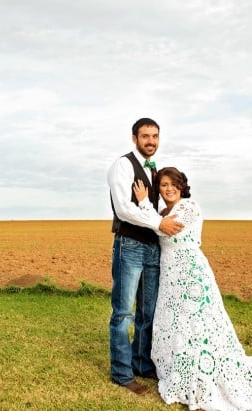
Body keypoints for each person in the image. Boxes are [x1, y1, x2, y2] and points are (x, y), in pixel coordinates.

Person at [133, 167, 252, 410]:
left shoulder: (190, 207)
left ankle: (207, 375)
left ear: (181, 186)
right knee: (176, 323)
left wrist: (143, 205)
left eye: (173, 183)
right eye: (163, 184)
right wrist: (151, 215)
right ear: (158, 189)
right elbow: (158, 225)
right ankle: (180, 371)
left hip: (191, 273)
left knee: (200, 322)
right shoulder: (162, 211)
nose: (169, 188)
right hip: (170, 276)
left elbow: (170, 232)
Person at [107, 118, 184, 396]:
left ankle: (141, 364)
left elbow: (156, 205)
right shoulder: (123, 165)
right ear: (134, 138)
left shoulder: (155, 171)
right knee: (124, 312)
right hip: (129, 246)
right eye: (145, 136)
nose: (150, 141)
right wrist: (159, 224)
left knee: (147, 313)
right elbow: (124, 209)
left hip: (153, 248)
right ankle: (121, 373)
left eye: (155, 136)